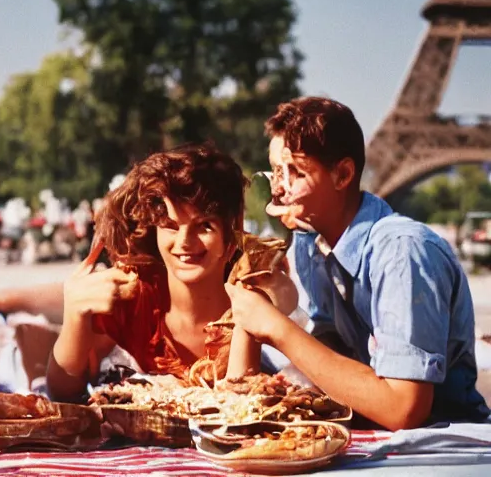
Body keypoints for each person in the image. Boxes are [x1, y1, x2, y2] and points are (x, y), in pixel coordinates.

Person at [228, 97, 489, 430]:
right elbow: (333, 353)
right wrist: (279, 308)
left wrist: (278, 329)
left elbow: (404, 409)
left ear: (343, 174)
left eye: (296, 172)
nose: (277, 189)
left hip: (445, 443)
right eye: (276, 171)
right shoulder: (311, 243)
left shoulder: (401, 251)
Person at [34, 144, 280, 401]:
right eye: (171, 226)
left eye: (204, 226)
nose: (185, 241)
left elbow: (242, 406)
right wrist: (73, 316)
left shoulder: (257, 291)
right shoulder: (137, 298)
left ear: (231, 232)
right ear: (155, 231)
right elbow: (63, 394)